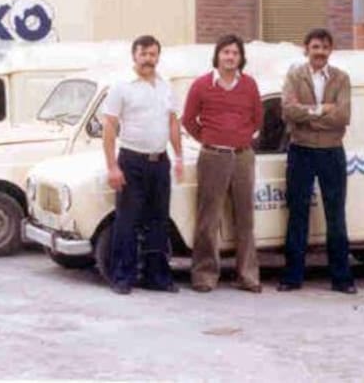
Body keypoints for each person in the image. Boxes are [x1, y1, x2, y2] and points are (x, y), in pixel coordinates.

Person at [101, 34, 184, 295]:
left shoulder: (165, 86)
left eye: (153, 54)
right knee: (127, 221)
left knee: (159, 220)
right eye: (144, 54)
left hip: (160, 161)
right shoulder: (121, 86)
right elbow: (109, 126)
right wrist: (112, 166)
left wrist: (179, 157)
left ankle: (156, 276)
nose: (149, 59)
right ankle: (122, 277)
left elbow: (173, 122)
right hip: (131, 161)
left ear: (158, 57)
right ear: (134, 56)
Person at [181, 34, 263, 293]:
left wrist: (240, 137)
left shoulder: (249, 85)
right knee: (208, 218)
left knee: (245, 218)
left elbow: (258, 119)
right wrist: (209, 138)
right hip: (213, 156)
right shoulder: (202, 85)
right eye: (226, 52)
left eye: (235, 53)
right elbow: (188, 120)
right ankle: (204, 275)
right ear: (217, 56)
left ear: (241, 58)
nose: (230, 57)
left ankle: (248, 275)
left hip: (242, 156)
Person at [278, 27, 356, 294]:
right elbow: (288, 110)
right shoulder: (294, 75)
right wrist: (322, 110)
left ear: (330, 51)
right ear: (306, 49)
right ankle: (292, 277)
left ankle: (342, 279)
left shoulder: (342, 79)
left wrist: (307, 116)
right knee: (297, 212)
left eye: (324, 48)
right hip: (301, 151)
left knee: (336, 214)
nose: (319, 52)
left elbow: (343, 116)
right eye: (315, 47)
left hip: (332, 152)